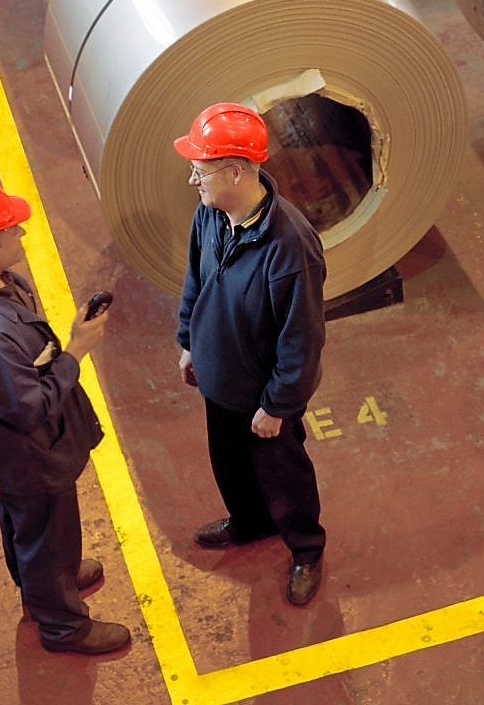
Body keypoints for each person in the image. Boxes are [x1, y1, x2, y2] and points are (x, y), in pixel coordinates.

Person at [0, 178, 130, 654]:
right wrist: (75, 351)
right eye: (12, 232)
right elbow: (28, 408)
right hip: (27, 456)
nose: (22, 234)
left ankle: (40, 578)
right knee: (47, 531)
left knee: (27, 521)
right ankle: (62, 624)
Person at [173, 102, 328, 606]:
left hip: (264, 396)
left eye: (200, 171)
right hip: (219, 378)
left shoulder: (289, 246)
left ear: (235, 171)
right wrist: (188, 341)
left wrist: (278, 405)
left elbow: (301, 338)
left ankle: (306, 550)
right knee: (230, 465)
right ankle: (249, 522)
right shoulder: (210, 215)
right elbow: (195, 279)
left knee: (283, 474)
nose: (193, 181)